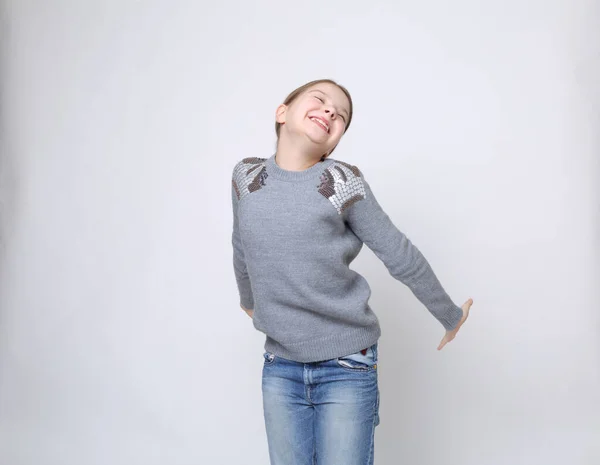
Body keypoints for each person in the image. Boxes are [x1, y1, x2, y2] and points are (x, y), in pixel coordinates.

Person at [230, 78, 473, 465]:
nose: (330, 112)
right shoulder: (246, 177)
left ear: (333, 143)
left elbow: (398, 252)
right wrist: (248, 301)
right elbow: (241, 243)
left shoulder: (341, 182)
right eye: (321, 100)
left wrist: (450, 315)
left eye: (340, 116)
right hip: (280, 365)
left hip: (346, 365)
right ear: (282, 113)